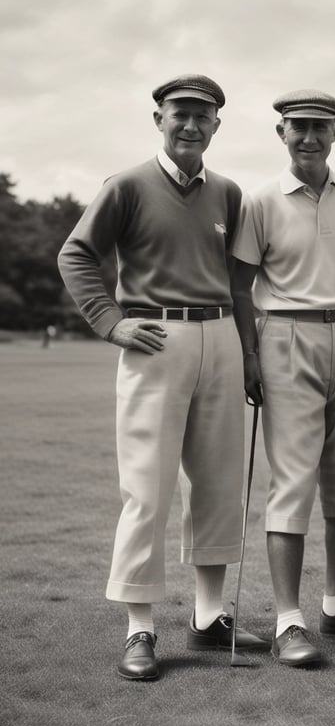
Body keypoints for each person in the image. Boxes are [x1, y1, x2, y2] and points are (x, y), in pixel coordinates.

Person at [58, 74, 267, 681]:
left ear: (216, 127)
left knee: (218, 482)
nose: (191, 125)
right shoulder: (125, 185)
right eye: (181, 113)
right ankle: (140, 628)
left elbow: (238, 283)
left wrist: (249, 353)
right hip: (153, 338)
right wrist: (109, 320)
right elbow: (76, 253)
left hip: (222, 337)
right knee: (147, 488)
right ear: (159, 118)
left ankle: (208, 619)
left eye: (204, 117)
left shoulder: (227, 192)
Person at [230, 89, 335, 668]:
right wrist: (250, 355)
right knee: (294, 483)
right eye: (298, 127)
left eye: (319, 128)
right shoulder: (260, 200)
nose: (308, 137)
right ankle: (288, 621)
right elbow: (238, 286)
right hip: (286, 338)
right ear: (281, 133)